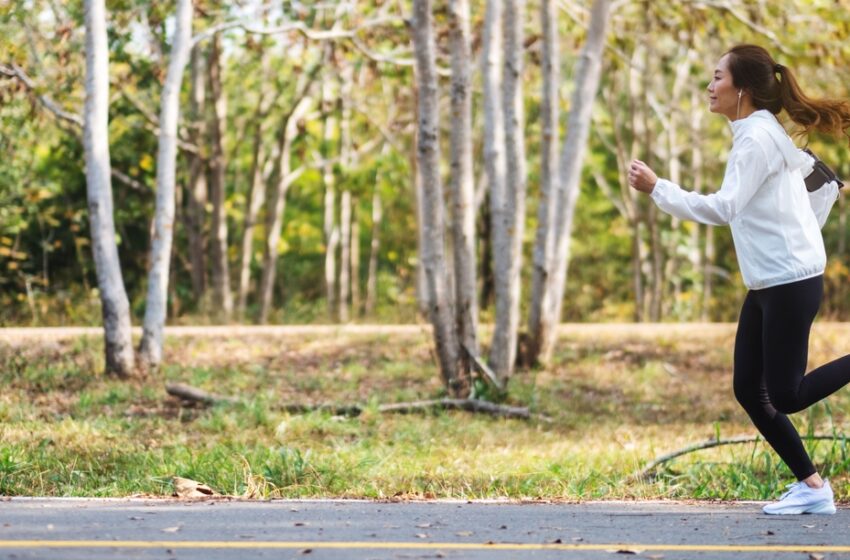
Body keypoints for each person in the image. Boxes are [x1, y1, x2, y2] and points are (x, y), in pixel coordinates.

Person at [628, 44, 850, 515]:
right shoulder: (760, 131)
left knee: (786, 396)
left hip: (788, 281)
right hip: (771, 280)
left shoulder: (755, 139)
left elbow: (725, 207)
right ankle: (812, 488)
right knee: (750, 389)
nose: (710, 87)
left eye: (717, 78)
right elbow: (799, 175)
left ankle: (813, 491)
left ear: (742, 89)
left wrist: (658, 188)